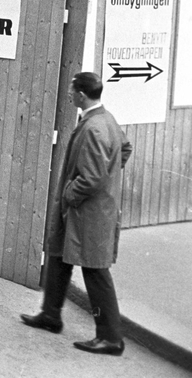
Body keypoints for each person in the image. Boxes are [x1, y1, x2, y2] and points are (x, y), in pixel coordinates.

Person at [21, 71, 133, 356]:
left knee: (96, 272)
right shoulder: (105, 119)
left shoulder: (94, 127)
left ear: (81, 94)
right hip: (86, 212)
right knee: (58, 257)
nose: (69, 95)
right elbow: (125, 147)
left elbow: (93, 177)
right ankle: (50, 315)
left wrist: (71, 194)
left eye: (72, 91)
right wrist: (110, 173)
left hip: (87, 213)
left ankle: (110, 337)